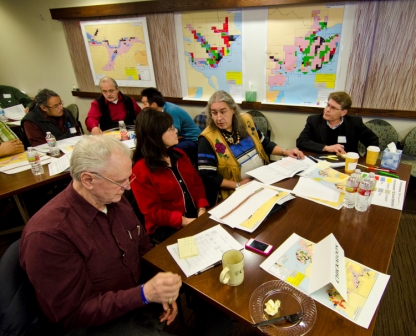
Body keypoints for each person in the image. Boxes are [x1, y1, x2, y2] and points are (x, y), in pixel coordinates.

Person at [19, 135, 182, 334]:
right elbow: (75, 312)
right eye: (120, 181)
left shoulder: (114, 198)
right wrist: (144, 294)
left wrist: (161, 286)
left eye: (128, 178)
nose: (128, 187)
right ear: (88, 179)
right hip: (94, 324)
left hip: (133, 300)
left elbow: (142, 247)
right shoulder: (48, 235)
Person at [198, 90, 304, 206]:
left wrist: (286, 152)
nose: (218, 118)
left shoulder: (246, 121)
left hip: (262, 179)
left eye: (223, 112)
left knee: (289, 202)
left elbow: (265, 144)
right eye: (214, 113)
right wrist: (238, 185)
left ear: (233, 110)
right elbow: (208, 177)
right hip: (235, 191)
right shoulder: (207, 139)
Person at [131, 108, 209, 243]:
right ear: (155, 135)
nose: (176, 131)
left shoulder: (180, 155)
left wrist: (201, 208)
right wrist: (184, 221)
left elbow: (197, 183)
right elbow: (153, 212)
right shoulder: (140, 170)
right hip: (167, 227)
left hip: (193, 215)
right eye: (170, 128)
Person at [296, 91, 379, 154]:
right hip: (320, 164)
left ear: (343, 112)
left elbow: (373, 141)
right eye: (328, 105)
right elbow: (301, 141)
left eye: (333, 108)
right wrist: (326, 148)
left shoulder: (354, 123)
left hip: (345, 164)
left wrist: (364, 160)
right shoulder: (314, 120)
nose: (327, 110)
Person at [140, 88, 201, 161]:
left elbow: (174, 133)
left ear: (153, 104)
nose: (143, 107)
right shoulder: (158, 111)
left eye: (144, 104)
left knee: (170, 151)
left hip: (191, 140)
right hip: (179, 138)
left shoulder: (171, 111)